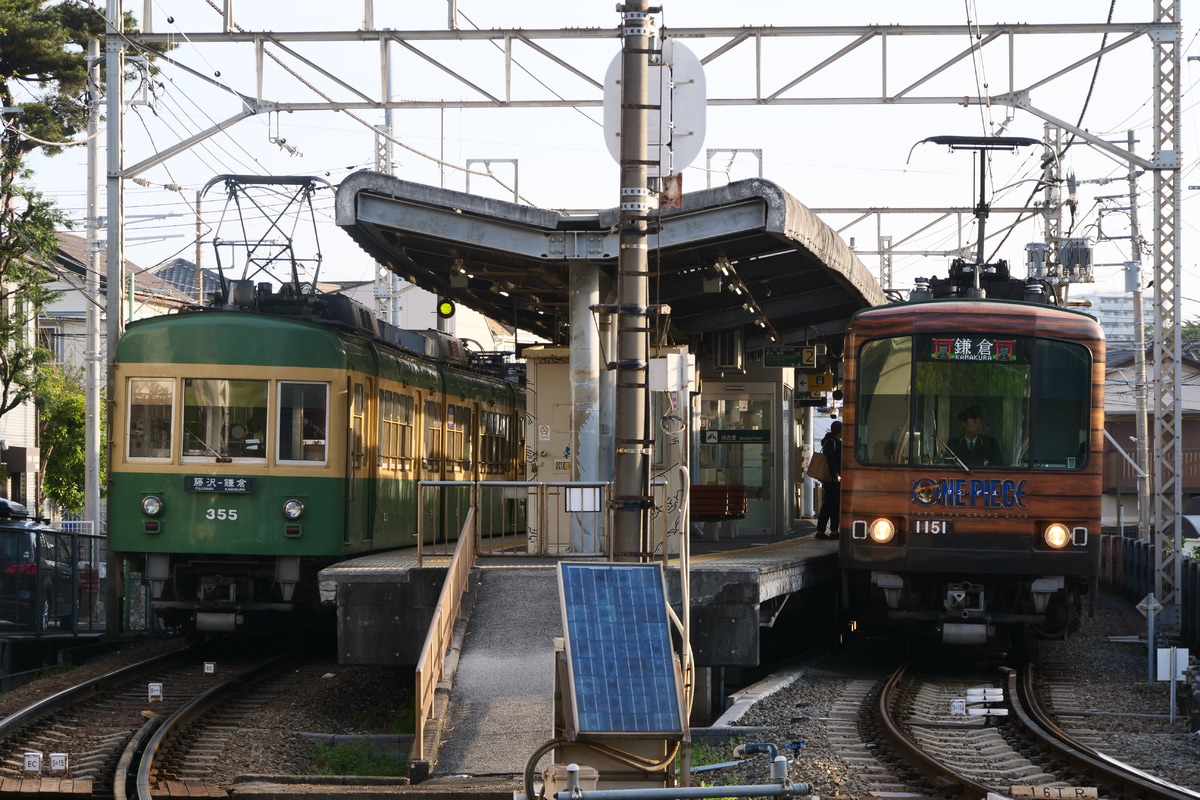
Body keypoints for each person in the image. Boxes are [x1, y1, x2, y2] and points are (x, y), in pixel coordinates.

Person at [815, 420, 842, 539]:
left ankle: (833, 531)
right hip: (832, 480)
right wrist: (836, 475)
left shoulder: (832, 441)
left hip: (831, 480)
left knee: (831, 505)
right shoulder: (833, 442)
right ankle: (822, 531)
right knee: (830, 506)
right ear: (840, 430)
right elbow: (831, 460)